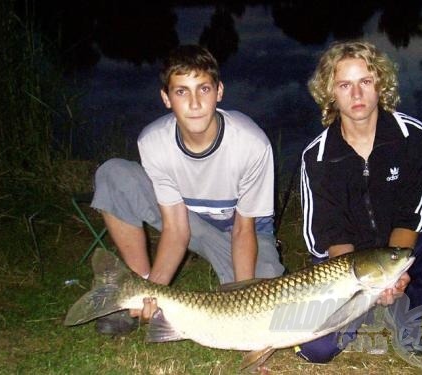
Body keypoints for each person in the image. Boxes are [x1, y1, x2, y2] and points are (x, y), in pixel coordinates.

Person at [296, 40, 422, 363]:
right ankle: (366, 313)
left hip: (404, 250)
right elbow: (330, 235)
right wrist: (364, 290)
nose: (356, 95)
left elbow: (412, 215)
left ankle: (412, 308)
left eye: (365, 82)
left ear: (381, 84)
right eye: (345, 85)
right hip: (346, 269)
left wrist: (394, 276)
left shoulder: (415, 138)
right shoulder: (316, 157)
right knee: (317, 349)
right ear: (330, 92)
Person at [91, 44, 285, 335]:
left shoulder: (251, 143)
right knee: (114, 174)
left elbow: (244, 231)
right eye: (182, 91)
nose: (194, 103)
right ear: (166, 98)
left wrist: (242, 299)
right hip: (191, 224)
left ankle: (240, 298)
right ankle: (135, 290)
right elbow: (177, 229)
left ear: (219, 92)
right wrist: (153, 289)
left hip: (246, 232)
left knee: (268, 308)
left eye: (203, 89)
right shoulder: (154, 142)